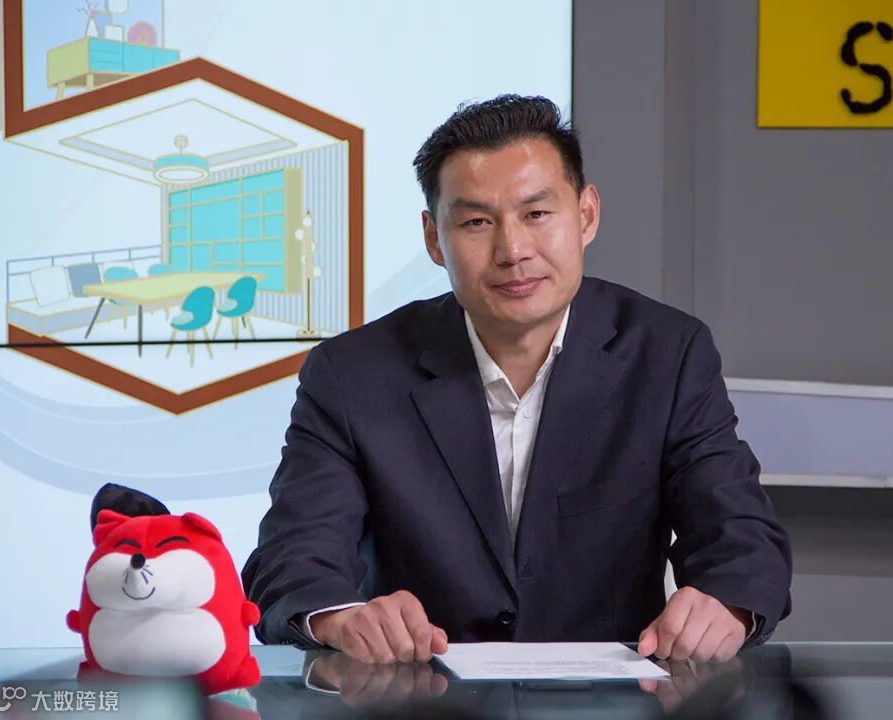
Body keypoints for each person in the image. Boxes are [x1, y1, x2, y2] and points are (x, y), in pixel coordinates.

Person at [241, 94, 792, 665]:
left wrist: (726, 604)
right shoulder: (352, 373)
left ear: (586, 215)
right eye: (476, 222)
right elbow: (292, 555)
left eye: (537, 214)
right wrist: (340, 616)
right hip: (418, 695)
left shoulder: (667, 354)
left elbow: (740, 533)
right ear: (433, 239)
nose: (512, 250)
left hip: (609, 700)